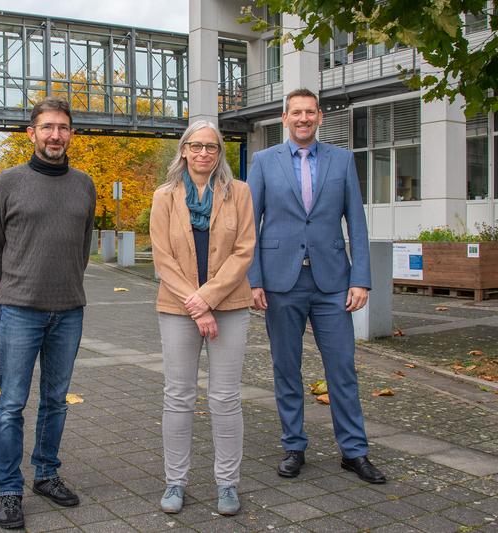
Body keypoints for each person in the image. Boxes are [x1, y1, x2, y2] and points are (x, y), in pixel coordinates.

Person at [246, 88, 386, 484]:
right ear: (284, 117)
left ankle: (354, 452)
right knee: (286, 368)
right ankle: (294, 446)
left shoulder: (342, 160)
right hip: (280, 282)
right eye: (297, 112)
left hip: (332, 283)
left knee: (342, 368)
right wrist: (253, 279)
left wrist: (361, 278)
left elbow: (355, 222)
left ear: (319, 117)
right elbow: (248, 225)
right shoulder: (262, 162)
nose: (303, 118)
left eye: (310, 112)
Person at [0, 96, 96, 530]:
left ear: (71, 134)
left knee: (55, 401)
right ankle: (10, 490)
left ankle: (45, 474)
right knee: (11, 404)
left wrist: (64, 284)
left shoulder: (84, 184)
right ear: (32, 133)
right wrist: (9, 290)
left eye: (63, 128)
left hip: (69, 310)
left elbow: (82, 245)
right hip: (20, 311)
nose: (55, 135)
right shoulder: (7, 182)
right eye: (47, 127)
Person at [150, 120, 255, 516]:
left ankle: (227, 483)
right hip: (177, 307)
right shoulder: (165, 197)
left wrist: (208, 300)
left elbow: (244, 252)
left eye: (211, 147)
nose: (203, 153)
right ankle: (175, 481)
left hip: (229, 306)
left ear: (219, 153)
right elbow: (163, 259)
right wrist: (196, 305)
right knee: (178, 396)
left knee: (225, 398)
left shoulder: (239, 193)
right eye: (196, 146)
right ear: (184, 150)